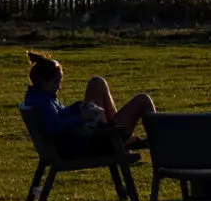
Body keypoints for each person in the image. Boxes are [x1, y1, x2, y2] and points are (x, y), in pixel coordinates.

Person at [21, 50, 154, 147]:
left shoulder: (40, 97)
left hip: (84, 139)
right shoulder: (44, 102)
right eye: (56, 82)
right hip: (91, 144)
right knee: (143, 100)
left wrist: (76, 107)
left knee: (97, 82)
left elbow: (58, 117)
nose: (59, 87)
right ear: (42, 80)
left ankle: (126, 139)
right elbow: (55, 126)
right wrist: (82, 117)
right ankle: (159, 146)